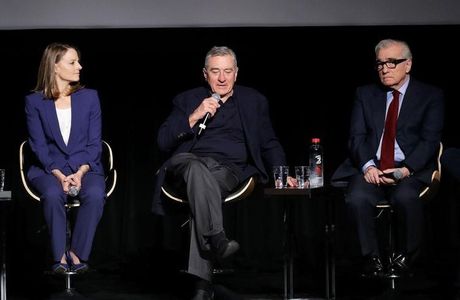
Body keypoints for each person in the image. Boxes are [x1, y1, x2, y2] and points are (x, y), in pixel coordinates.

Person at [152, 46, 295, 299]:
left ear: (236, 74)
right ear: (205, 74)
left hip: (228, 171)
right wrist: (195, 115)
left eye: (228, 71)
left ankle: (203, 282)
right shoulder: (187, 99)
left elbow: (268, 142)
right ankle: (216, 238)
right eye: (215, 71)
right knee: (195, 167)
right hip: (186, 164)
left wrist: (281, 173)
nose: (222, 78)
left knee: (202, 187)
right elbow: (163, 141)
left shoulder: (254, 101)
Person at [332, 39, 444, 277]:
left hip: (409, 169)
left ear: (408, 64)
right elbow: (357, 137)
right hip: (373, 167)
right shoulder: (365, 94)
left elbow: (430, 141)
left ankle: (406, 256)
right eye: (380, 63)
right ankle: (371, 259)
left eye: (392, 63)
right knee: (357, 197)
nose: (385, 68)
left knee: (405, 197)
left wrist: (405, 170)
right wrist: (368, 167)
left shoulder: (430, 96)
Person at [25, 42, 106, 274]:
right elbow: (38, 145)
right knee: (52, 194)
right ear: (55, 67)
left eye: (78, 61)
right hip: (48, 168)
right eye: (72, 62)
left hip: (85, 166)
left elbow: (94, 142)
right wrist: (59, 174)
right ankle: (59, 256)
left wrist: (80, 172)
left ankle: (76, 253)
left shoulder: (90, 97)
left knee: (95, 193)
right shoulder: (34, 102)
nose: (79, 66)